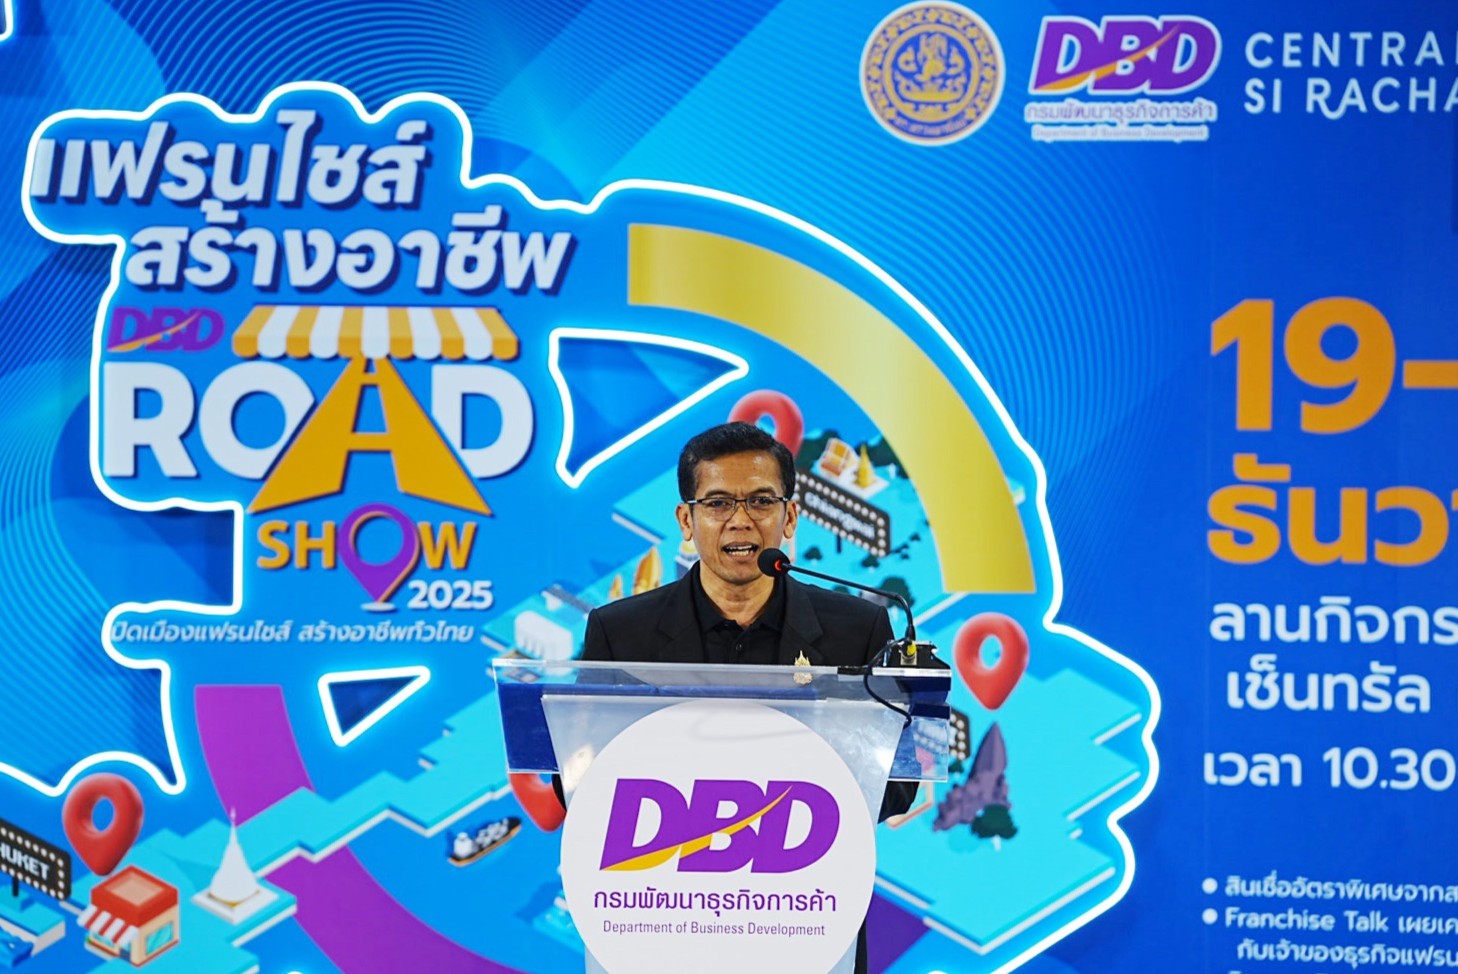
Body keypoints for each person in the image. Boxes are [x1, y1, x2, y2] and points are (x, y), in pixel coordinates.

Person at [580, 420, 915, 974]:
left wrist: (790, 817)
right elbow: (579, 779)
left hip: (803, 913)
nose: (740, 520)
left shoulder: (858, 629)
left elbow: (898, 781)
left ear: (790, 516)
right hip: (666, 917)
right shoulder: (622, 634)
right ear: (686, 521)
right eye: (717, 503)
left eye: (761, 501)